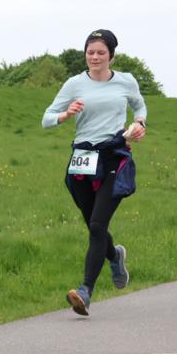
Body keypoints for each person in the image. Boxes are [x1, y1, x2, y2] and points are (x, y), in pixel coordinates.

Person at [42, 29, 147, 317]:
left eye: (101, 52)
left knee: (99, 226)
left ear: (111, 55)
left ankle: (85, 291)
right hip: (82, 160)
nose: (95, 57)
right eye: (90, 52)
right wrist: (65, 115)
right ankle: (114, 256)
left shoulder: (126, 81)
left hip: (114, 156)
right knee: (93, 226)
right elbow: (46, 118)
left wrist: (139, 124)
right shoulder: (74, 84)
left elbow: (139, 106)